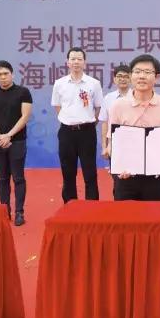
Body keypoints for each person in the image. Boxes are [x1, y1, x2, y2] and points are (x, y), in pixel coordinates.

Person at [108, 54, 160, 200]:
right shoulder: (118, 105)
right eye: (137, 71)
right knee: (124, 214)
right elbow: (113, 142)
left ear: (157, 77)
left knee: (156, 214)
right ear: (131, 75)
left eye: (147, 72)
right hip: (126, 177)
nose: (142, 76)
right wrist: (118, 167)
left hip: (156, 177)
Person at [51, 47, 103, 203]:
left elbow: (98, 107)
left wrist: (87, 121)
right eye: (72, 59)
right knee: (68, 171)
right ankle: (70, 204)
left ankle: (92, 205)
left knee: (90, 171)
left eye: (79, 59)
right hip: (66, 132)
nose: (76, 62)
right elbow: (57, 106)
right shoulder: (59, 83)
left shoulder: (94, 83)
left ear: (84, 62)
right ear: (67, 62)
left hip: (87, 132)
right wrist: (69, 119)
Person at [0, 60, 33, 226]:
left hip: (17, 141)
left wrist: (9, 136)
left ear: (12, 74)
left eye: (6, 73)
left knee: (18, 177)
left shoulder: (23, 92)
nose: (3, 77)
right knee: (2, 178)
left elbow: (25, 117)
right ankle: (4, 210)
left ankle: (19, 212)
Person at [99, 65, 131, 160]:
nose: (122, 79)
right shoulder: (108, 98)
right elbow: (105, 123)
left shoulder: (137, 97)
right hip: (114, 142)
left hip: (134, 141)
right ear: (114, 79)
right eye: (119, 76)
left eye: (126, 76)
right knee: (115, 169)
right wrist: (104, 147)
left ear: (131, 79)